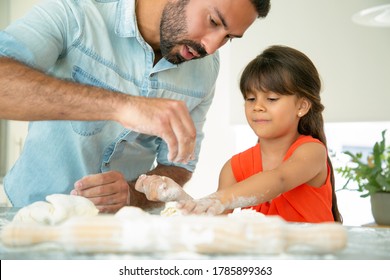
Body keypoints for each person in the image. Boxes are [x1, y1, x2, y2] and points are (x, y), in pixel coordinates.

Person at [0, 0, 271, 212]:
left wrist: (132, 194)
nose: (212, 47)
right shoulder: (75, 14)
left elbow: (178, 166)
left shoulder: (206, 69)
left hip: (119, 236)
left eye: (228, 37)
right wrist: (121, 106)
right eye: (213, 21)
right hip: (26, 215)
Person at [140, 45, 343, 223]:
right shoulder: (234, 168)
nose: (258, 107)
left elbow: (279, 179)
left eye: (271, 99)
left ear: (302, 106)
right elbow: (215, 223)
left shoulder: (312, 152)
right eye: (251, 98)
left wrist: (219, 199)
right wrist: (178, 196)